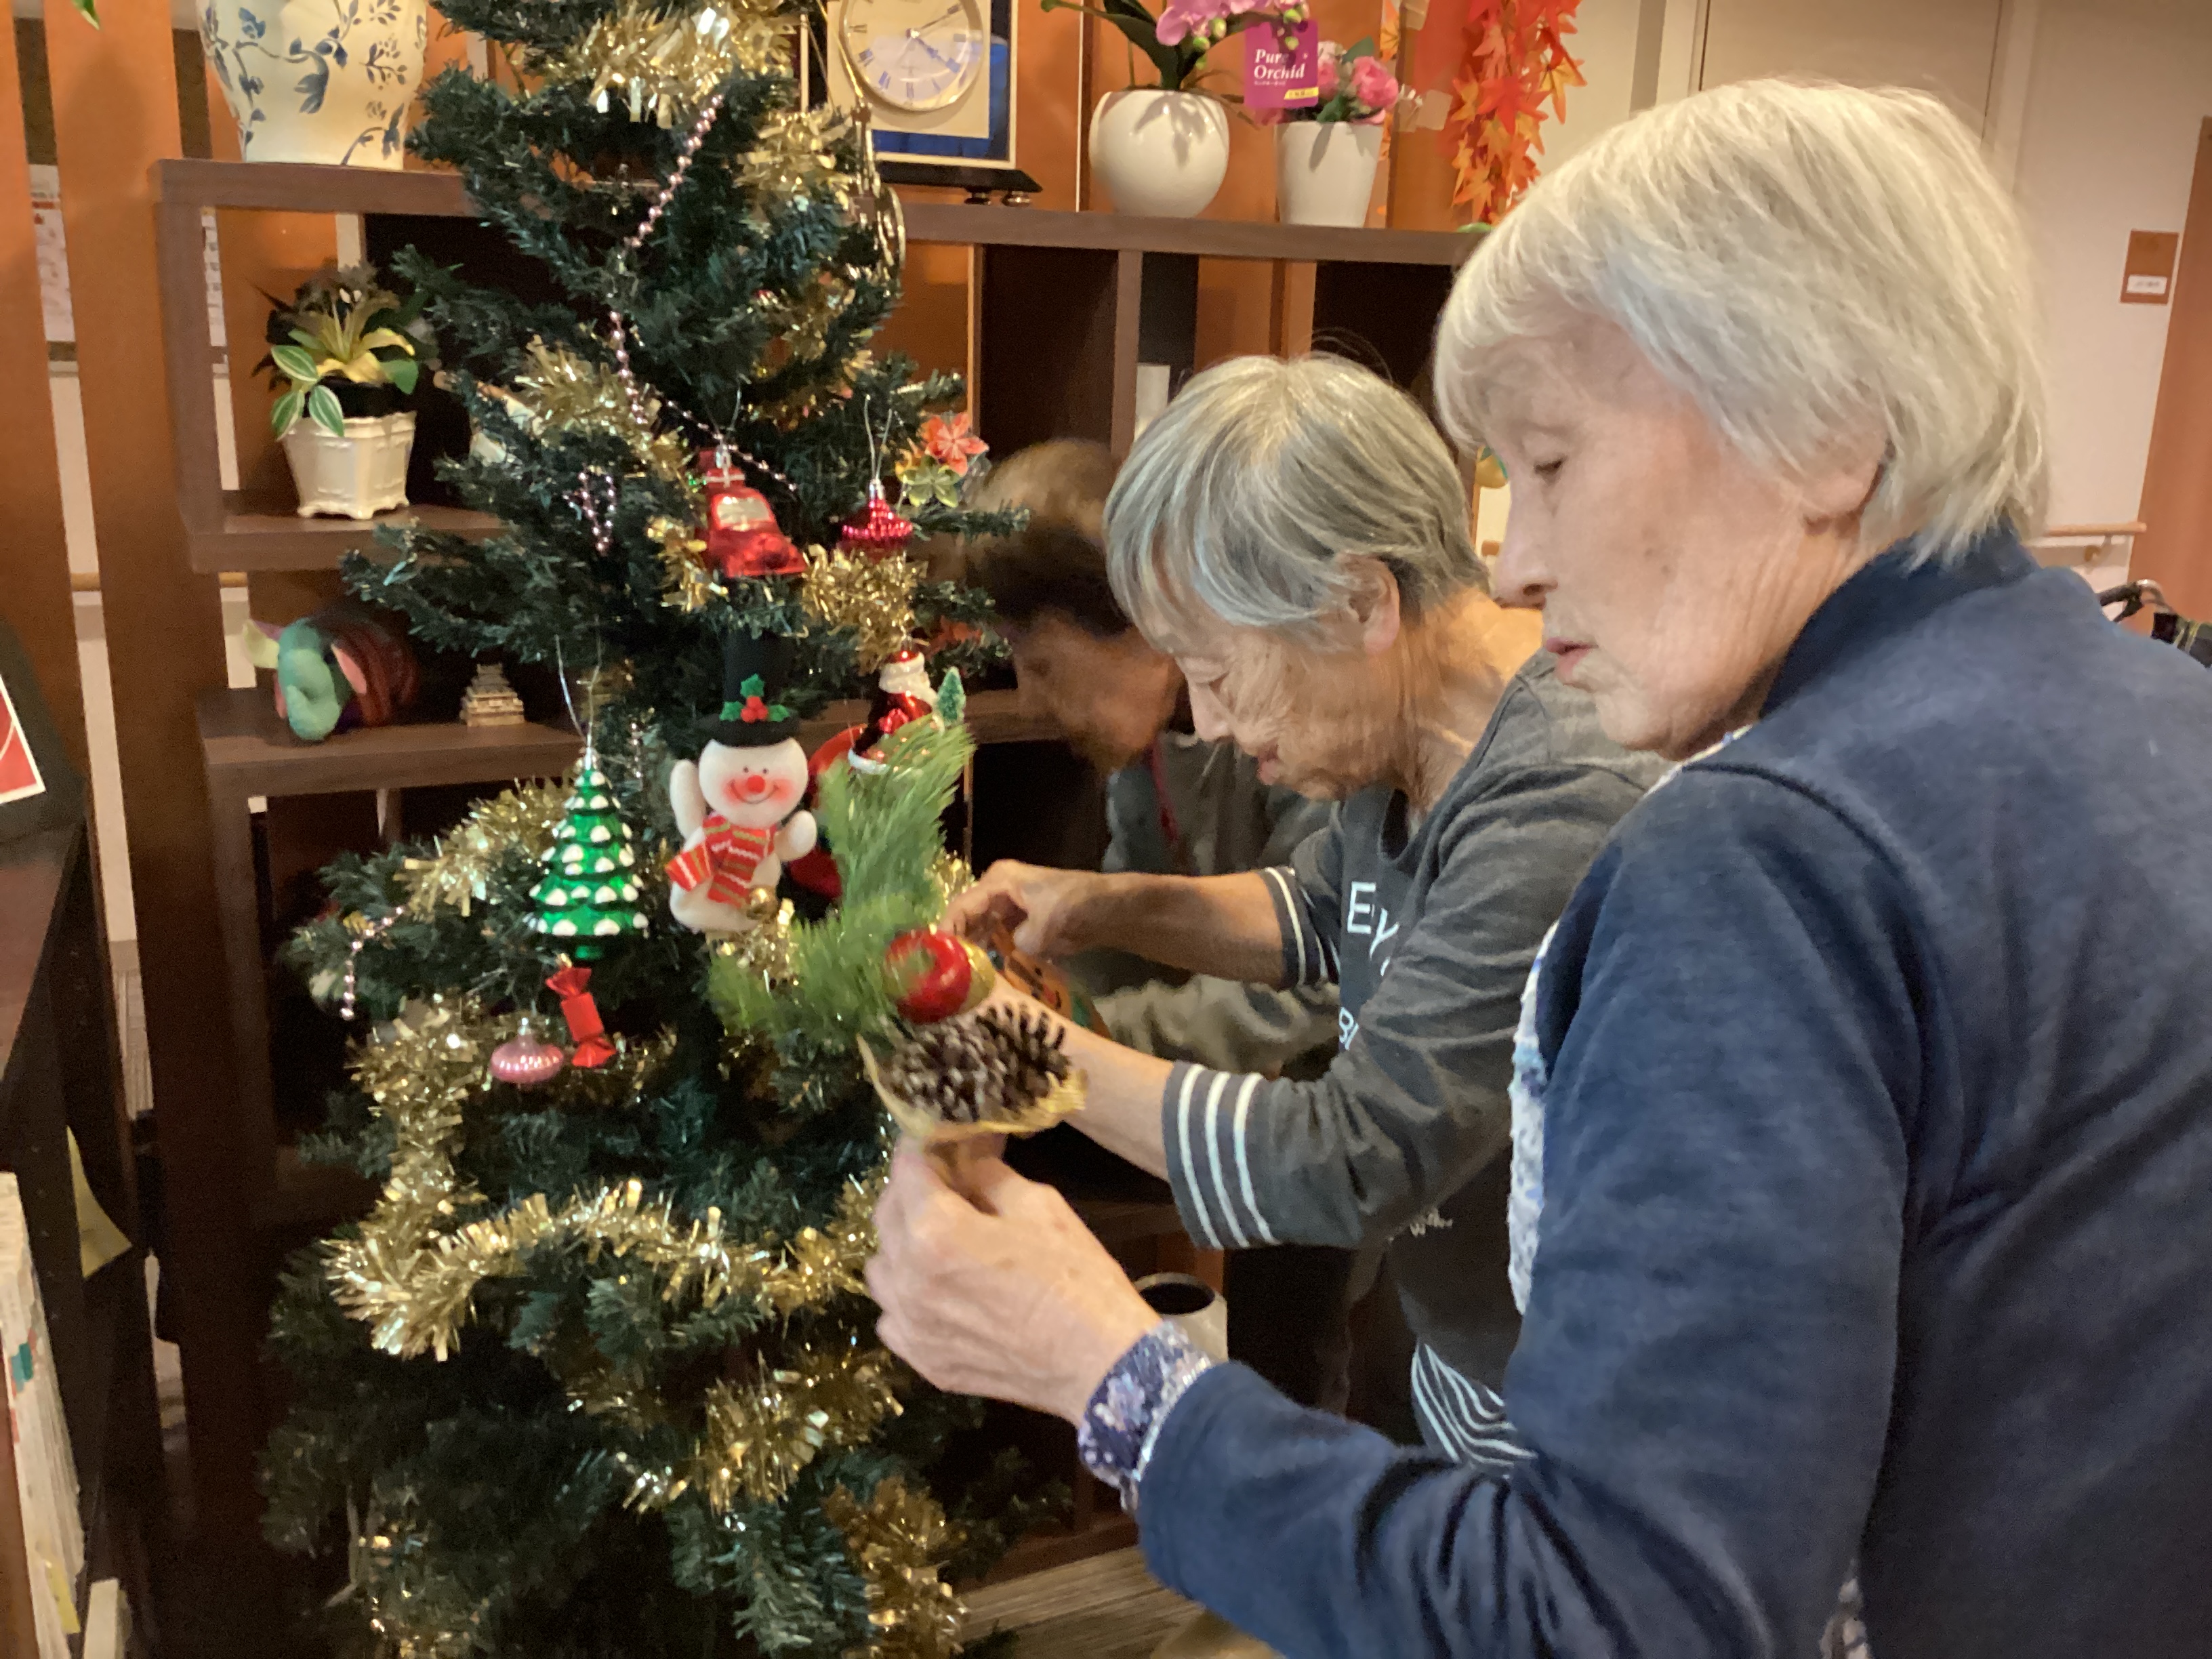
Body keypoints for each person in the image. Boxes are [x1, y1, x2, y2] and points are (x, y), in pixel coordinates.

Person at [867, 79, 2212, 1659]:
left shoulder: (1760, 854)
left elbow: (1614, 1612)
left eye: (1557, 463)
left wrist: (1107, 1373)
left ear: (1831, 434)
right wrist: (1112, 904)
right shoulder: (2156, 714)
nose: (1516, 558)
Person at [944, 356, 1664, 1454]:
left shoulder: (1559, 797)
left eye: (1221, 672)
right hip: (1461, 1346)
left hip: (1571, 1414)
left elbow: (1354, 1155)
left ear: (1359, 602)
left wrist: (1023, 1047)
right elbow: (1324, 910)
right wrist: (1097, 904)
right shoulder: (1407, 738)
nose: (1210, 723)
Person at [962, 438, 1355, 1410]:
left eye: (1044, 665)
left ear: (1140, 623)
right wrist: (1030, 982)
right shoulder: (1149, 755)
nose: (1033, 700)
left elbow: (1321, 976)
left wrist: (1082, 1037)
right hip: (1253, 1114)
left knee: (1306, 1373)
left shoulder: (1292, 733)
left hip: (1340, 1135)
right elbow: (1123, 924)